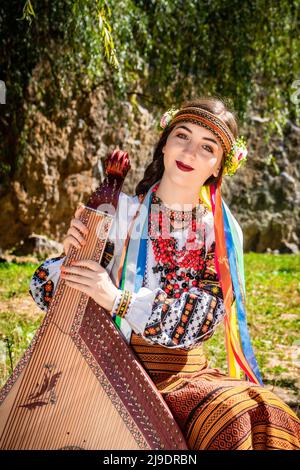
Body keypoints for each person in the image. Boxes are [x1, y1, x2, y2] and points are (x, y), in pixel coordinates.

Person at [29, 97, 300, 450]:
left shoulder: (220, 233)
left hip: (183, 377)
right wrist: (72, 255)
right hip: (107, 369)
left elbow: (197, 321)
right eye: (182, 136)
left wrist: (117, 299)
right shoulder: (121, 213)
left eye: (207, 147)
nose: (189, 152)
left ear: (219, 165)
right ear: (165, 143)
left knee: (251, 413)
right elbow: (45, 293)